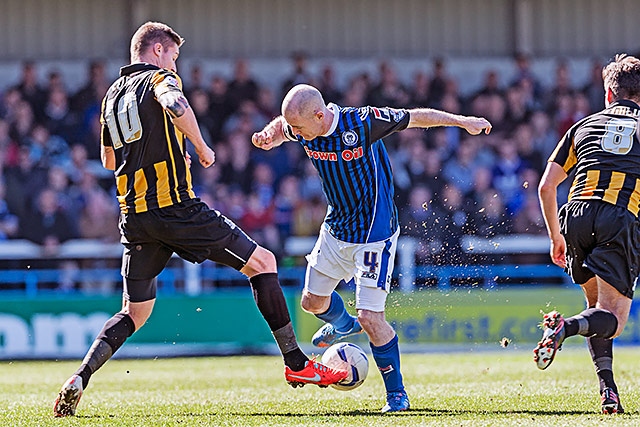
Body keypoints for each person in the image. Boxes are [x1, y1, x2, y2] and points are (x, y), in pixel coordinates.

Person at [53, 22, 346, 418]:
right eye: (173, 55)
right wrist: (202, 148)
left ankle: (79, 378)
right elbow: (176, 106)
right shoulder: (160, 79)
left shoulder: (110, 97)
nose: (175, 63)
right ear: (157, 51)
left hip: (134, 217)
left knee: (134, 312)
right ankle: (297, 366)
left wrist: (163, 150)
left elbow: (109, 160)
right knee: (263, 263)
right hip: (176, 208)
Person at [252, 84, 491, 412]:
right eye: (291, 128)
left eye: (298, 128)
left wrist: (462, 121)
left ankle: (397, 394)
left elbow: (415, 117)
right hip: (336, 230)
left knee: (371, 318)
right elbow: (282, 127)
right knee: (311, 302)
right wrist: (268, 134)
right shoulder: (301, 125)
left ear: (320, 116)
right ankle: (342, 324)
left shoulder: (362, 123)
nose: (294, 134)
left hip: (374, 235)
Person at [533, 54, 640, 415]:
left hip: (574, 216)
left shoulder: (583, 125)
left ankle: (608, 392)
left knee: (598, 308)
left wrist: (554, 237)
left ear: (609, 93)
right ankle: (565, 326)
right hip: (619, 218)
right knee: (614, 320)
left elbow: (547, 187)